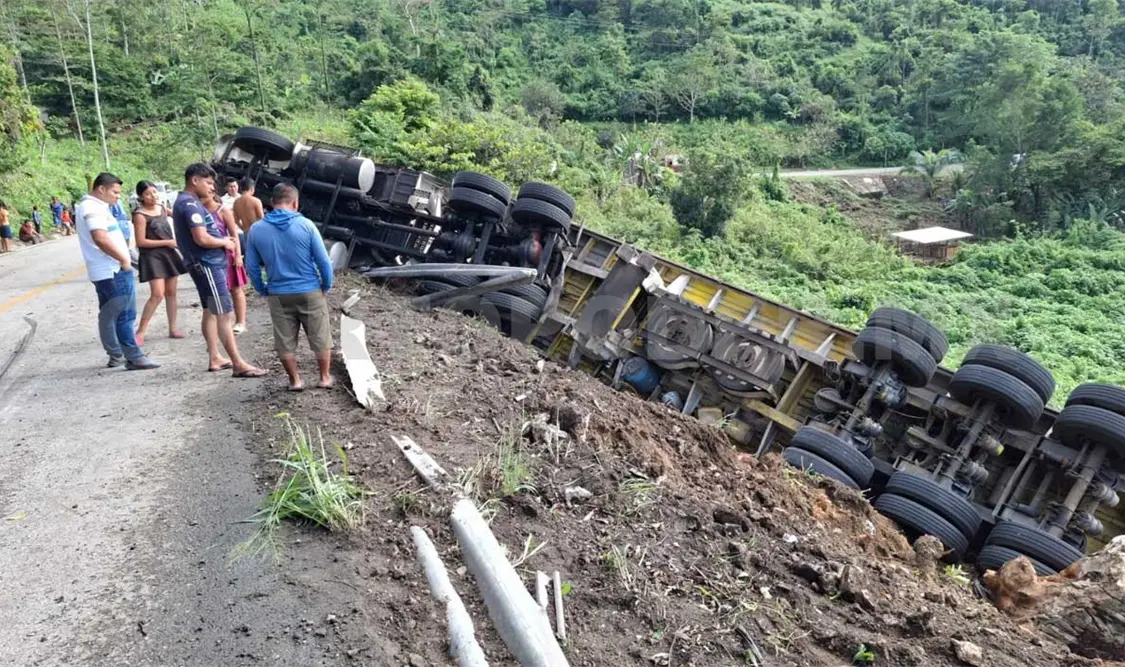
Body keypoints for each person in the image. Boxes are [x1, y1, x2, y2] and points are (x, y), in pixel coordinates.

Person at [172, 162, 265, 377]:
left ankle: (214, 356)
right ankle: (238, 363)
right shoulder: (190, 205)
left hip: (205, 266)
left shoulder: (186, 202)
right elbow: (202, 238)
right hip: (207, 266)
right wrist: (225, 242)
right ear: (194, 180)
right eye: (208, 183)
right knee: (224, 313)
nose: (211, 188)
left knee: (210, 310)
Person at [246, 183, 334, 391]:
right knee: (320, 335)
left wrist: (262, 288)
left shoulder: (256, 229)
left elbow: (252, 266)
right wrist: (326, 284)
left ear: (272, 202)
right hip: (309, 289)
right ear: (295, 203)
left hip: (278, 293)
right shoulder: (306, 225)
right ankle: (324, 378)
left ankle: (295, 381)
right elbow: (324, 261)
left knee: (284, 340)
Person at [75, 173, 159, 370]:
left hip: (103, 270)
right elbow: (100, 238)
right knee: (125, 314)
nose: (118, 196)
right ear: (101, 189)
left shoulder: (93, 207)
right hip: (112, 270)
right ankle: (134, 356)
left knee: (108, 313)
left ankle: (115, 355)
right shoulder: (92, 208)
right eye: (115, 192)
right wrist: (123, 260)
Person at [133, 180, 187, 345]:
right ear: (141, 197)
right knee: (157, 294)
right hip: (152, 256)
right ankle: (140, 331)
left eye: (154, 192)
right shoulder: (140, 215)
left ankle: (173, 328)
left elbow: (180, 216)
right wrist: (167, 242)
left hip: (169, 254)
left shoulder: (162, 208)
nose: (152, 196)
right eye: (148, 194)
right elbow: (141, 242)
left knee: (171, 293)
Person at [203, 193, 249, 334]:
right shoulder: (197, 211)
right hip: (209, 257)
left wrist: (238, 256)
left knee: (235, 289)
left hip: (228, 254)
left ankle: (241, 322)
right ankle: (221, 322)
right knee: (215, 291)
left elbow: (234, 234)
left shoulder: (223, 211)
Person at [231, 177, 263, 256]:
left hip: (246, 232)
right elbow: (262, 218)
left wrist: (243, 228)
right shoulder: (256, 201)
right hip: (257, 231)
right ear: (252, 188)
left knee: (250, 256)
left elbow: (235, 220)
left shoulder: (236, 202)